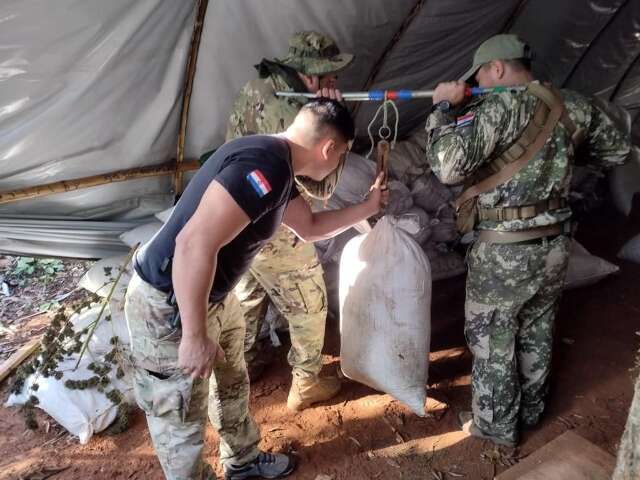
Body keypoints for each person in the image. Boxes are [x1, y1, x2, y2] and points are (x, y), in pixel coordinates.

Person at [125, 99, 388, 480]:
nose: (338, 166)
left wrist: (368, 207)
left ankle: (242, 462)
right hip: (171, 305)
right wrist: (194, 335)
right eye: (342, 155)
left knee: (233, 383)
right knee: (179, 420)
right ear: (329, 148)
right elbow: (193, 244)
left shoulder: (279, 165)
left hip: (212, 297)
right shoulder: (262, 166)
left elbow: (310, 227)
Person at [424, 34, 631, 447]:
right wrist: (563, 157)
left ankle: (497, 425)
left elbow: (447, 167)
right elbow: (617, 150)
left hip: (504, 247)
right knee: (538, 326)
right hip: (554, 245)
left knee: (493, 338)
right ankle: (533, 410)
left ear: (496, 68)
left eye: (480, 73)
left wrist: (443, 109)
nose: (478, 81)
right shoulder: (572, 104)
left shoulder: (498, 105)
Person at [226, 31, 355, 411]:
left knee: (248, 292)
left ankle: (245, 361)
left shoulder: (257, 87)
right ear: (311, 76)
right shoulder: (294, 112)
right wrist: (334, 121)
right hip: (276, 222)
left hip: (239, 215)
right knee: (310, 302)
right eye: (330, 76)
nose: (334, 83)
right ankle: (306, 382)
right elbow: (320, 185)